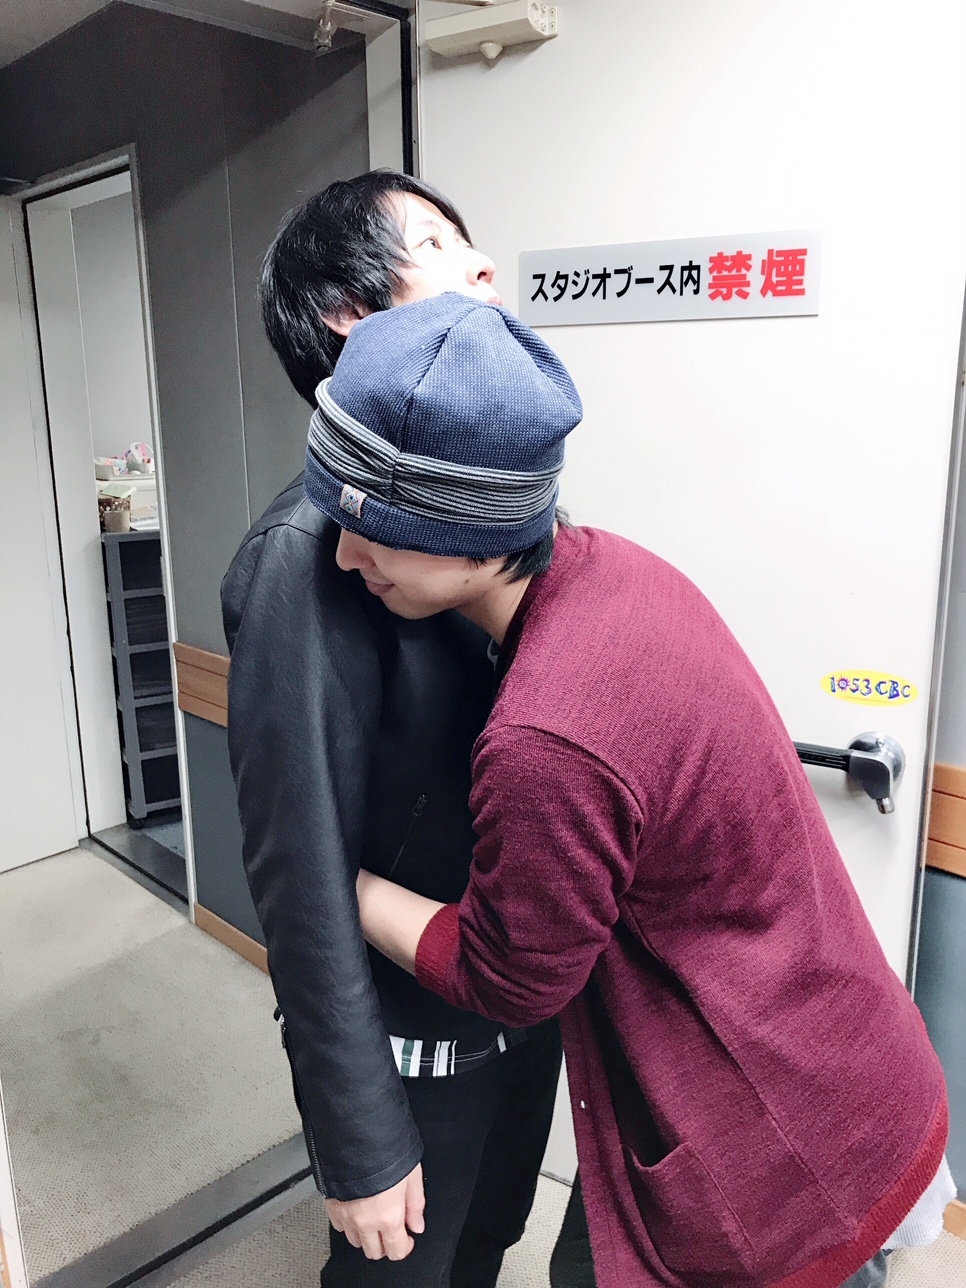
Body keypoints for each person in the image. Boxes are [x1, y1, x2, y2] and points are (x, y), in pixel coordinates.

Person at [299, 290, 956, 1288]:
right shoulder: (618, 570)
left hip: (782, 1138)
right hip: (843, 1063)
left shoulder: (547, 737)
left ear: (474, 532)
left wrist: (340, 887)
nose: (346, 556)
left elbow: (511, 978)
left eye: (373, 530)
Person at [222, 171, 562, 1286]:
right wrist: (358, 1136)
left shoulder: (493, 502)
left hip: (519, 1018)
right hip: (415, 1049)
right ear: (349, 316)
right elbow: (299, 871)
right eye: (439, 246)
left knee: (488, 1247)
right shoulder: (307, 557)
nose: (484, 267)